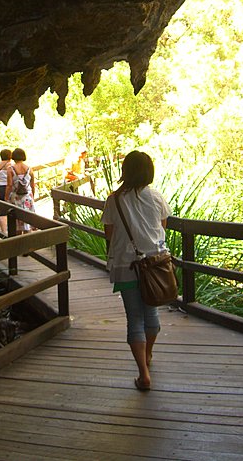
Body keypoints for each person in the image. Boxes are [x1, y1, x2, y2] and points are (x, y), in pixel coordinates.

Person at [101, 151, 171, 392]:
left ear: (125, 171)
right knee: (151, 314)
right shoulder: (156, 196)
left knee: (134, 318)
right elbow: (162, 228)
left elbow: (109, 234)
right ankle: (148, 354)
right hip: (155, 266)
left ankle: (143, 373)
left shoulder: (114, 199)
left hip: (126, 265)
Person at [5, 147, 36, 236]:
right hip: (27, 197)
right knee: (27, 220)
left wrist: (6, 197)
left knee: (16, 221)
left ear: (14, 157)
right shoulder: (29, 169)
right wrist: (32, 196)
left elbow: (9, 185)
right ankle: (28, 240)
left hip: (16, 197)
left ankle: (18, 241)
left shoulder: (10, 169)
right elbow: (32, 185)